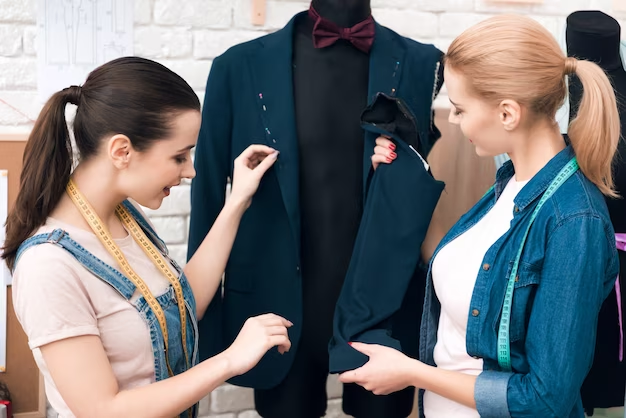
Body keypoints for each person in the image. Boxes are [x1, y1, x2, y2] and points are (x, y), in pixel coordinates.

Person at [339, 14, 620, 418]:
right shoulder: (510, 184)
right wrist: (401, 179)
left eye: (459, 109)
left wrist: (412, 373)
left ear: (507, 114)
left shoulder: (574, 222)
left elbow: (544, 399)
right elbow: (460, 272)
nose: (453, 120)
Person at [187, 1, 444, 416]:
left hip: (387, 303)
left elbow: (416, 185)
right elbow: (208, 195)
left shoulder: (421, 62)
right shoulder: (237, 67)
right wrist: (201, 320)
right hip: (274, 301)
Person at [2, 56, 291, 418]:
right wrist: (230, 360)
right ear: (122, 151)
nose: (191, 171)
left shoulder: (124, 216)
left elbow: (180, 303)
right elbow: (103, 410)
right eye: (179, 157)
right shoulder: (48, 265)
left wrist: (237, 201)